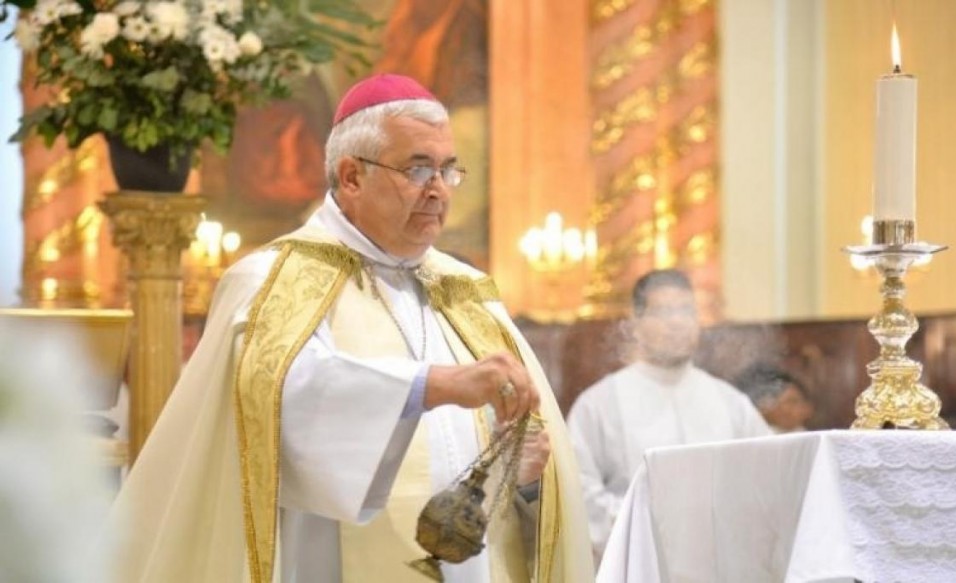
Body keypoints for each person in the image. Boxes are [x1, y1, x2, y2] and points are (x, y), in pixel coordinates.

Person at [107, 74, 593, 583]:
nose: (437, 190)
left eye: (448, 170)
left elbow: (511, 457)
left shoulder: (466, 293)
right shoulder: (274, 280)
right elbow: (278, 405)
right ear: (352, 176)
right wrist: (433, 385)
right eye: (417, 169)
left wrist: (522, 479)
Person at [566, 268, 772, 561]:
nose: (677, 322)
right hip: (637, 560)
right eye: (663, 312)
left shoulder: (730, 402)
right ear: (635, 324)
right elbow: (579, 491)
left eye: (686, 311)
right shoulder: (599, 404)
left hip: (722, 561)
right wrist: (653, 527)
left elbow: (765, 476)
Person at [733, 362, 815, 433]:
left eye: (794, 402)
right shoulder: (750, 434)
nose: (805, 409)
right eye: (791, 402)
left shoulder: (809, 438)